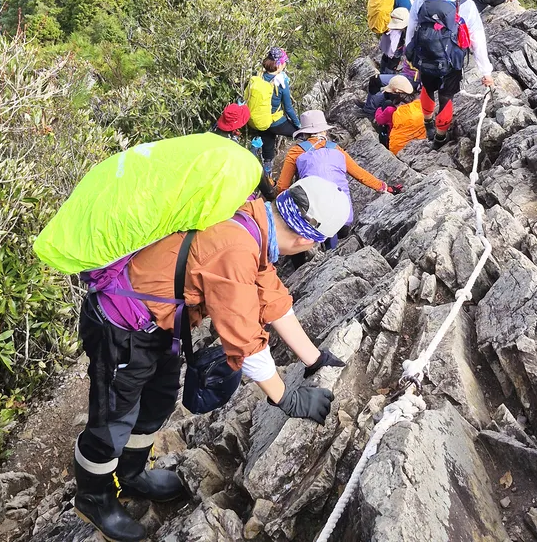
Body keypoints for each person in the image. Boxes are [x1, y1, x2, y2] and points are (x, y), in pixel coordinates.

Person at [73, 175, 350, 542]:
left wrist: (315, 359)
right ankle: (93, 498)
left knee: (157, 403)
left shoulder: (255, 222)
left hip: (162, 324)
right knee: (114, 418)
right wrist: (286, 397)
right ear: (305, 239)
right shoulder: (235, 248)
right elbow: (244, 337)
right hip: (121, 324)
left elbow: (271, 299)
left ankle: (131, 475)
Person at [406, 0, 494, 150]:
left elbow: (412, 25)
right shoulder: (467, 5)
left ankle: (428, 123)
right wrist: (486, 72)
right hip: (451, 61)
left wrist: (410, 53)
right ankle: (439, 137)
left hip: (425, 55)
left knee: (427, 89)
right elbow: (477, 40)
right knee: (446, 97)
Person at [276, 111, 401, 231]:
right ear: (324, 131)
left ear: (304, 133)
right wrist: (385, 187)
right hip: (343, 219)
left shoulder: (295, 152)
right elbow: (360, 174)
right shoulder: (336, 149)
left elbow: (282, 187)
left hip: (313, 219)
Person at [247, 48, 301, 178]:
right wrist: (299, 126)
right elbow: (288, 109)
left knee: (268, 144)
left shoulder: (258, 77)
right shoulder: (281, 83)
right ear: (280, 64)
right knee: (300, 135)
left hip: (259, 121)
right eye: (284, 62)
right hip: (276, 122)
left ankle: (267, 174)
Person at [214, 103, 275, 200]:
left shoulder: (212, 135)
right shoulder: (236, 151)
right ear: (236, 130)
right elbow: (250, 165)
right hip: (229, 195)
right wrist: (253, 150)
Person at [373, 75, 426, 155]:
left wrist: (379, 109)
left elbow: (379, 119)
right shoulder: (418, 103)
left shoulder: (391, 111)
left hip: (397, 147)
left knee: (383, 125)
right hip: (419, 140)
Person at [379, 6, 410, 73]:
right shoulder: (404, 29)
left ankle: (384, 76)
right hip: (393, 51)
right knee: (388, 62)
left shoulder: (409, 30)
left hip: (393, 52)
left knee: (389, 64)